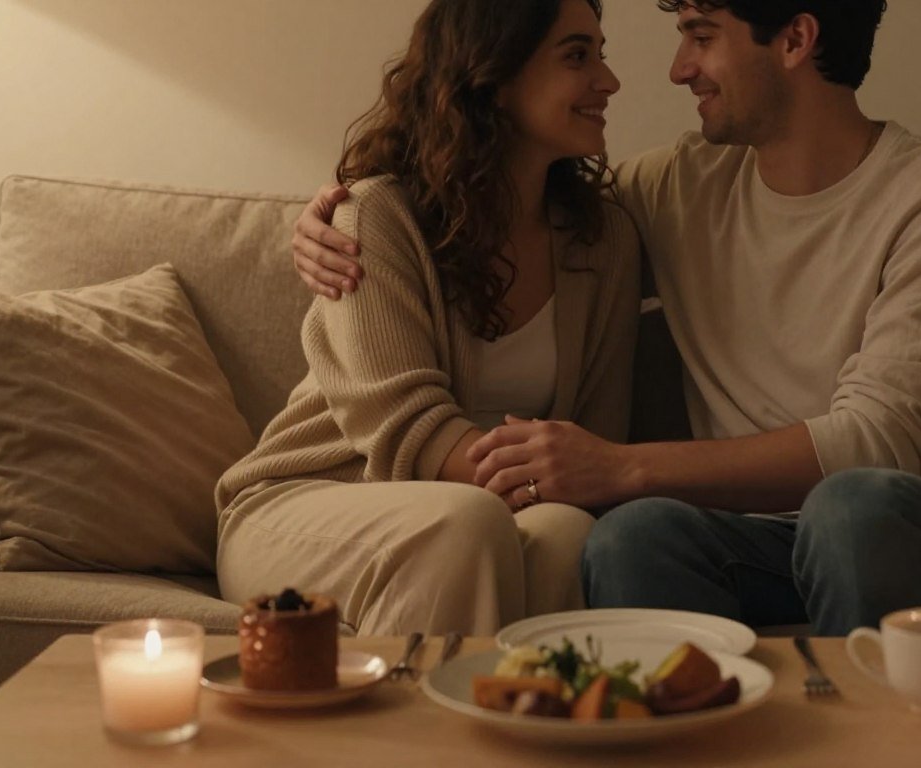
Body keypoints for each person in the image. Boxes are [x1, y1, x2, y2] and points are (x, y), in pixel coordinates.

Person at [290, 0, 921, 636]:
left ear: (797, 41)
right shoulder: (681, 187)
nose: (679, 69)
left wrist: (623, 468)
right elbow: (496, 189)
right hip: (754, 538)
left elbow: (877, 444)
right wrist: (338, 205)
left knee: (849, 511)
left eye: (702, 35)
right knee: (635, 536)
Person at [216, 0, 639, 636]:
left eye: (600, 54)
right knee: (467, 523)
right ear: (493, 76)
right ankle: (417, 733)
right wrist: (542, 479)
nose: (607, 81)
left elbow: (592, 441)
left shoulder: (602, 239)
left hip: (486, 510)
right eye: (578, 56)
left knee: (567, 532)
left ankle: (527, 725)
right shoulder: (378, 216)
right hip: (309, 501)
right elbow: (403, 428)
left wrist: (575, 479)